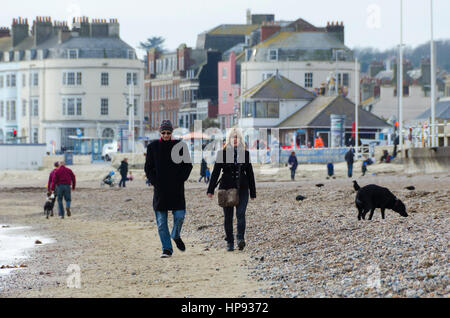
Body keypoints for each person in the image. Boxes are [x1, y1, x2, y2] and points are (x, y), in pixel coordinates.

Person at [145, 120, 193, 258]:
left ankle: (176, 235)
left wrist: (180, 179)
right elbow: (148, 168)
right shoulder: (152, 147)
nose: (166, 135)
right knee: (161, 223)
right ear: (160, 133)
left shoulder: (180, 146)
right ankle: (167, 249)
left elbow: (188, 166)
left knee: (179, 217)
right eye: (163, 133)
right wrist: (155, 182)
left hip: (177, 188)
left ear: (172, 133)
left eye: (168, 133)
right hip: (160, 190)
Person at [207, 128, 256, 252]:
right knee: (228, 217)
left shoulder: (245, 154)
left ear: (240, 139)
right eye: (232, 137)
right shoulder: (222, 154)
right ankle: (229, 242)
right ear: (228, 140)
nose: (235, 139)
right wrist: (210, 189)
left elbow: (250, 173)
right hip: (226, 189)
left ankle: (240, 239)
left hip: (243, 189)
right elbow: (215, 173)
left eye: (237, 137)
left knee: (240, 214)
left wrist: (253, 192)